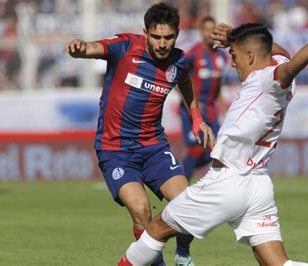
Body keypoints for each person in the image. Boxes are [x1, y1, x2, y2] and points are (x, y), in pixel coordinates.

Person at [118, 10, 308, 266]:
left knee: (157, 228)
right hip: (257, 185)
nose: (232, 61)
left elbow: (290, 68)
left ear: (250, 56)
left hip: (227, 181)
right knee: (278, 263)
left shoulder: (268, 81)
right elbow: (280, 54)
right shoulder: (272, 64)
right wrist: (235, 38)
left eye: (234, 54)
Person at [65, 3, 215, 266]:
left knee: (188, 204)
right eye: (156, 37)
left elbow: (186, 84)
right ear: (145, 33)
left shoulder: (178, 61)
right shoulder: (125, 47)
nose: (162, 44)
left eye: (168, 37)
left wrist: (197, 119)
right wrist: (80, 48)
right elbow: (93, 47)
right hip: (115, 150)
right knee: (141, 209)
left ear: (177, 35)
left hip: (154, 147)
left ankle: (183, 252)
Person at [180, 16, 227, 181]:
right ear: (200, 31)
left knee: (219, 148)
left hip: (211, 110)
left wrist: (222, 107)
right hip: (192, 110)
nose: (210, 33)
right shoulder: (193, 54)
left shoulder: (221, 56)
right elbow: (179, 81)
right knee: (196, 147)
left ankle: (183, 171)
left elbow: (218, 85)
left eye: (213, 30)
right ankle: (180, 187)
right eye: (206, 29)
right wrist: (190, 105)